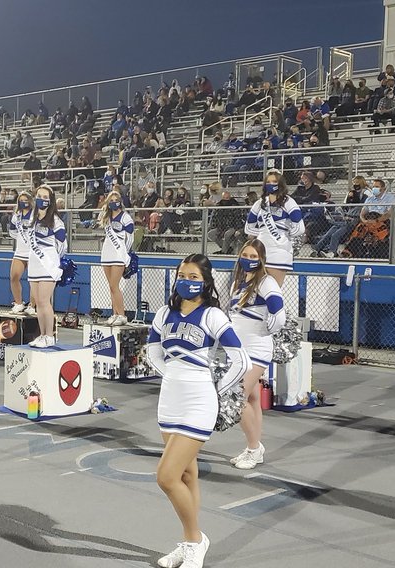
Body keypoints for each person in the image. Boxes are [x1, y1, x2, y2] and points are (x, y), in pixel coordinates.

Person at [144, 254, 249, 568]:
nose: (186, 280)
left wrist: (214, 388)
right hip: (170, 401)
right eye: (181, 274)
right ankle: (190, 542)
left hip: (199, 401)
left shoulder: (212, 315)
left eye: (193, 276)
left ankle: (195, 541)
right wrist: (172, 375)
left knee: (166, 476)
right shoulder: (165, 312)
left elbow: (240, 360)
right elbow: (152, 351)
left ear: (205, 281)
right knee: (187, 474)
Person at [227, 240, 286, 470]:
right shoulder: (239, 283)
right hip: (239, 351)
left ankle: (253, 449)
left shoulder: (266, 281)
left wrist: (268, 330)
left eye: (253, 256)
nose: (249, 260)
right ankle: (255, 447)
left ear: (261, 259)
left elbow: (278, 312)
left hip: (256, 350)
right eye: (245, 255)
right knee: (251, 399)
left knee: (234, 395)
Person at [245, 171, 304, 286]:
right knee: (253, 289)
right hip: (260, 251)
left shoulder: (289, 202)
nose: (271, 184)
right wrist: (263, 233)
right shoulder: (259, 203)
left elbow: (300, 228)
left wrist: (284, 235)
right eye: (268, 182)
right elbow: (248, 228)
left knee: (274, 290)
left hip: (279, 251)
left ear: (280, 184)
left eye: (274, 182)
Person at [26, 185, 66, 348]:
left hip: (48, 263)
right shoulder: (32, 219)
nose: (41, 199)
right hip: (34, 263)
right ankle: (42, 335)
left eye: (44, 197)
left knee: (44, 301)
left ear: (50, 201)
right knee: (37, 302)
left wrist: (55, 262)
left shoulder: (56, 221)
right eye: (39, 196)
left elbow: (62, 245)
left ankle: (50, 335)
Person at [98, 191, 135, 326]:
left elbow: (130, 237)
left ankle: (122, 315)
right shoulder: (106, 216)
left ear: (120, 201)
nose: (114, 202)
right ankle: (115, 314)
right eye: (111, 200)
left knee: (115, 285)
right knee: (111, 287)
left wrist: (126, 253)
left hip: (119, 253)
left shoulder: (126, 217)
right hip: (107, 252)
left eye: (116, 199)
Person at [315, 178, 366, 257]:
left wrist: (349, 217)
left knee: (335, 235)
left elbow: (358, 214)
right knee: (329, 233)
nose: (354, 185)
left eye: (356, 183)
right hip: (343, 220)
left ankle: (332, 252)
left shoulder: (362, 201)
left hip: (351, 222)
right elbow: (344, 208)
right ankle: (317, 249)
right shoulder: (349, 201)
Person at [7, 192, 36, 315]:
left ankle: (32, 305)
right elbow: (12, 231)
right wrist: (20, 238)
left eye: (25, 200)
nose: (23, 202)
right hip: (20, 251)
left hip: (34, 251)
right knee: (14, 277)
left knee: (33, 280)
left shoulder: (35, 215)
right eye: (21, 200)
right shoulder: (16, 215)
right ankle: (19, 303)